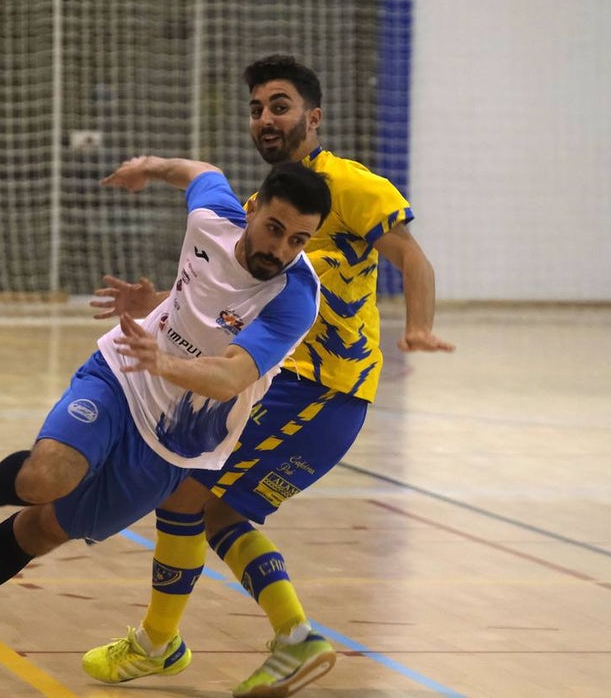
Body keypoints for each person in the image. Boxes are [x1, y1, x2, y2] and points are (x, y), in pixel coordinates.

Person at [0, 155, 332, 698]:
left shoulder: (294, 297)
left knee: (40, 530)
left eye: (298, 240)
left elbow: (232, 374)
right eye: (274, 229)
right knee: (48, 476)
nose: (279, 250)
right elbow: (197, 169)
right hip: (121, 376)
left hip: (177, 443)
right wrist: (148, 167)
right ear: (253, 211)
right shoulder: (213, 217)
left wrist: (165, 362)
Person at [80, 54, 454, 697]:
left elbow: (412, 260)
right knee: (198, 500)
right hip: (276, 384)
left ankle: (215, 641)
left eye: (278, 106)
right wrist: (157, 307)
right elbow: (225, 303)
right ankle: (193, 641)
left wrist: (418, 326)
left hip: (324, 389)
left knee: (198, 499)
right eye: (256, 109)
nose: (265, 119)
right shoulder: (264, 207)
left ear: (313, 116)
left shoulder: (352, 185)